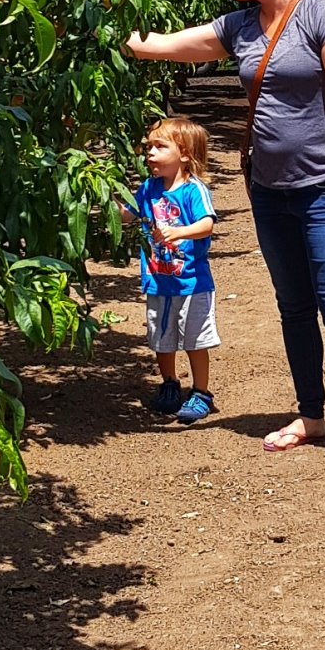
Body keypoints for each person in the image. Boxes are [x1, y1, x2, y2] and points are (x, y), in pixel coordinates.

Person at [127, 0, 325, 459]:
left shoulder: (324, 17)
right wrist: (115, 20)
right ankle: (311, 415)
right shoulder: (240, 26)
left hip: (324, 188)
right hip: (269, 191)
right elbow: (164, 45)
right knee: (293, 307)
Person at [120, 117, 219, 425]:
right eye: (148, 147)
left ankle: (201, 392)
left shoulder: (193, 190)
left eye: (160, 147)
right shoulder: (148, 188)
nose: (150, 153)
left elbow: (207, 224)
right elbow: (127, 216)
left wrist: (180, 233)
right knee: (161, 338)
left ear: (185, 153)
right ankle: (169, 384)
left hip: (191, 283)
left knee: (194, 340)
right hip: (157, 281)